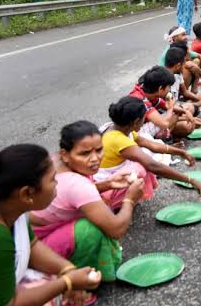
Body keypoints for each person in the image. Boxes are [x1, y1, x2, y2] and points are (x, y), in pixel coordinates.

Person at [0, 144, 101, 306]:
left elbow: (33, 245)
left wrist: (67, 269)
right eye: (52, 180)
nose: (57, 183)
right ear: (27, 193)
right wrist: (67, 282)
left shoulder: (11, 207)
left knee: (53, 279)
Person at [30, 121, 145, 284]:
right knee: (90, 229)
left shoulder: (56, 162)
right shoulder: (76, 184)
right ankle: (75, 281)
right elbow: (116, 229)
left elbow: (68, 196)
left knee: (99, 209)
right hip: (38, 250)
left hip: (32, 241)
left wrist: (107, 184)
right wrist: (129, 200)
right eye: (85, 154)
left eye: (99, 150)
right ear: (65, 154)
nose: (95, 159)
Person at [101, 96, 201, 197]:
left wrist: (181, 153)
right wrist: (190, 180)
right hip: (104, 186)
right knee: (140, 168)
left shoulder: (120, 128)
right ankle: (120, 202)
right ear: (136, 122)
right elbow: (153, 166)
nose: (144, 122)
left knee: (145, 155)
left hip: (108, 178)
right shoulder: (119, 139)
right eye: (144, 119)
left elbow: (152, 145)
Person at [129, 66, 195, 139]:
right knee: (175, 116)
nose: (169, 89)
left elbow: (165, 106)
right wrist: (171, 108)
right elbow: (164, 123)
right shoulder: (141, 100)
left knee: (187, 108)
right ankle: (163, 142)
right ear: (160, 88)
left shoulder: (150, 93)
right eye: (169, 87)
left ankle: (165, 139)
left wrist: (186, 112)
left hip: (142, 127)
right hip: (131, 135)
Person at [164, 45, 201, 111]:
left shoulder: (178, 74)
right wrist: (196, 104)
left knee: (193, 103)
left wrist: (198, 99)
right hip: (168, 109)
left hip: (175, 104)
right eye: (184, 63)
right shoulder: (165, 79)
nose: (185, 65)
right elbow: (168, 106)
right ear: (178, 65)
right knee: (191, 107)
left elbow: (185, 91)